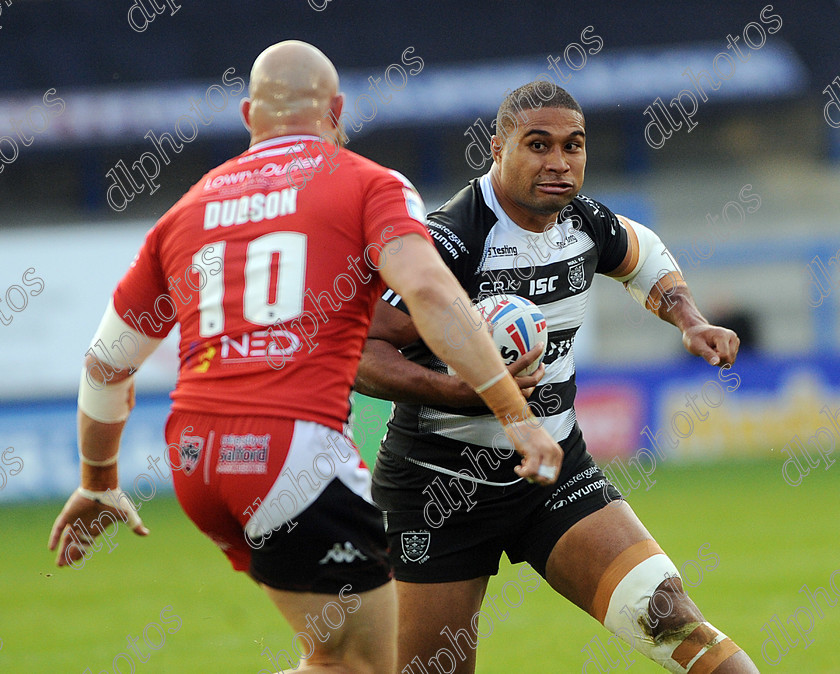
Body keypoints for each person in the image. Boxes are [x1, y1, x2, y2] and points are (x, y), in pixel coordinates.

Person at [47, 45, 561, 674]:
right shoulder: (369, 183)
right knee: (366, 664)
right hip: (289, 453)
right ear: (337, 110)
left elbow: (105, 364)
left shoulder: (185, 212)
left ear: (246, 115)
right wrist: (516, 414)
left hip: (195, 460)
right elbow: (429, 292)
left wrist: (97, 481)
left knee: (334, 658)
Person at [356, 81, 760, 673]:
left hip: (554, 472)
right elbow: (363, 352)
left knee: (674, 622)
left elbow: (642, 254)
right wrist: (462, 392)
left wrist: (689, 318)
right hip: (437, 489)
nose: (559, 163)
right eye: (538, 145)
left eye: (573, 146)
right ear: (497, 148)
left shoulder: (585, 224)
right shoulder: (448, 242)